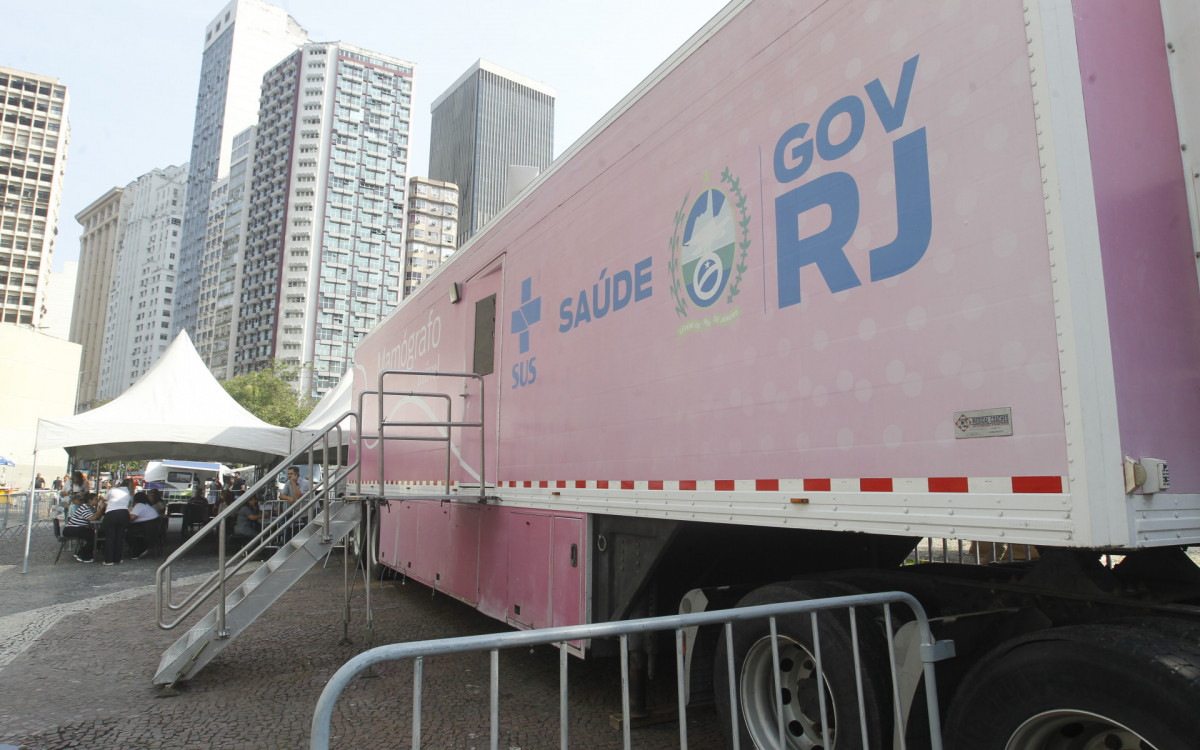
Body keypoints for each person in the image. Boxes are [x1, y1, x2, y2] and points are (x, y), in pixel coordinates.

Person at [101, 479, 133, 566]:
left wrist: (108, 501)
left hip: (111, 513)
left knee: (110, 537)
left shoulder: (113, 490)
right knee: (120, 537)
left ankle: (108, 560)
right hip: (124, 513)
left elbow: (103, 498)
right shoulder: (129, 493)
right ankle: (117, 559)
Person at [64, 492, 101, 563]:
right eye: (95, 499)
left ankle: (82, 553)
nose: (97, 501)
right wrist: (100, 509)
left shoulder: (91, 508)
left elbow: (95, 517)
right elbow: (91, 518)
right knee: (92, 537)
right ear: (90, 500)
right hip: (72, 528)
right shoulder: (85, 508)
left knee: (95, 534)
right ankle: (83, 556)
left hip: (80, 528)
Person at [126, 491, 161, 560]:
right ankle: (140, 548)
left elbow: (132, 517)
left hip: (147, 527)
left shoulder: (140, 505)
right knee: (131, 530)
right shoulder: (146, 505)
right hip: (152, 525)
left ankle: (140, 549)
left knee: (129, 533)